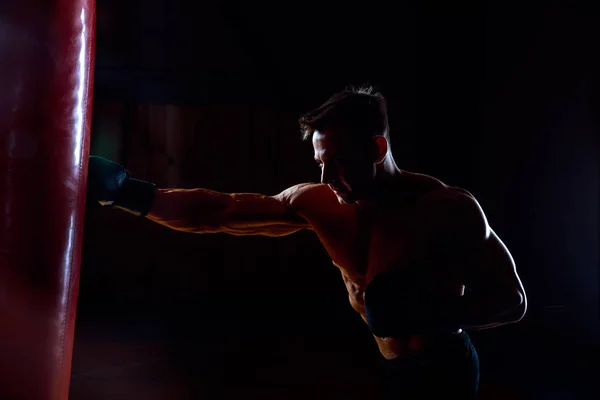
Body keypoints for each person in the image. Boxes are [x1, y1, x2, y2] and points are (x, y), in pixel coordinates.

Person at [86, 86, 527, 399]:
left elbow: (513, 300)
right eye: (320, 162)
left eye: (338, 163)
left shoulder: (447, 208)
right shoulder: (321, 204)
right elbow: (218, 213)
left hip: (447, 370)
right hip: (391, 368)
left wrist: (434, 313)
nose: (325, 178)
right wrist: (129, 194)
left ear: (377, 148)